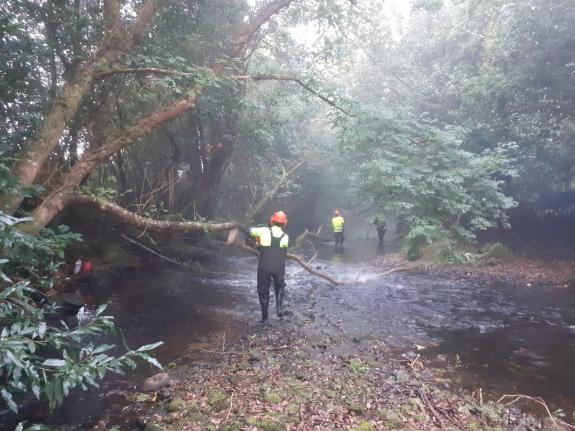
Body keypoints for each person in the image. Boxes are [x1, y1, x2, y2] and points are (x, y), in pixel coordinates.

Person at [249, 211, 289, 323]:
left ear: (272, 221)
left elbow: (250, 231)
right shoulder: (285, 237)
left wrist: (256, 243)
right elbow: (282, 251)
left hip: (264, 266)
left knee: (263, 290)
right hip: (279, 267)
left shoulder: (263, 231)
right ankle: (279, 309)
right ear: (285, 224)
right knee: (280, 285)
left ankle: (264, 317)